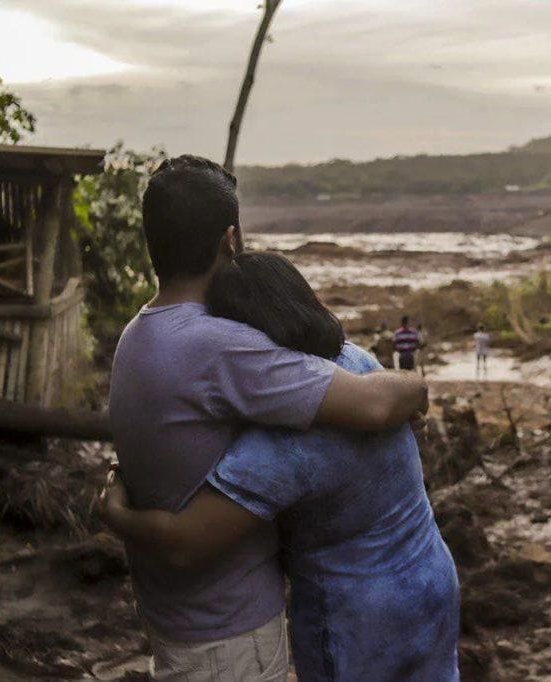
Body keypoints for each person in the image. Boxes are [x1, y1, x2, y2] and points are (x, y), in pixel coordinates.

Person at [107, 156, 428, 680]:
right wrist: (416, 388)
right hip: (230, 637)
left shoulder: (139, 334)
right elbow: (375, 404)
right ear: (230, 240)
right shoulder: (219, 347)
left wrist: (115, 512)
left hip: (173, 618)